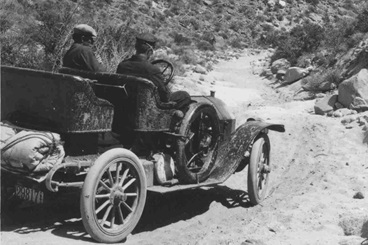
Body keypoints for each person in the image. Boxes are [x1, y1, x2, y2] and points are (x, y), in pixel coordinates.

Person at [116, 32, 191, 110]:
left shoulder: (122, 65)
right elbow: (164, 97)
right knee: (184, 96)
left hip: (126, 103)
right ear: (150, 50)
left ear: (136, 47)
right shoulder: (152, 70)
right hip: (146, 106)